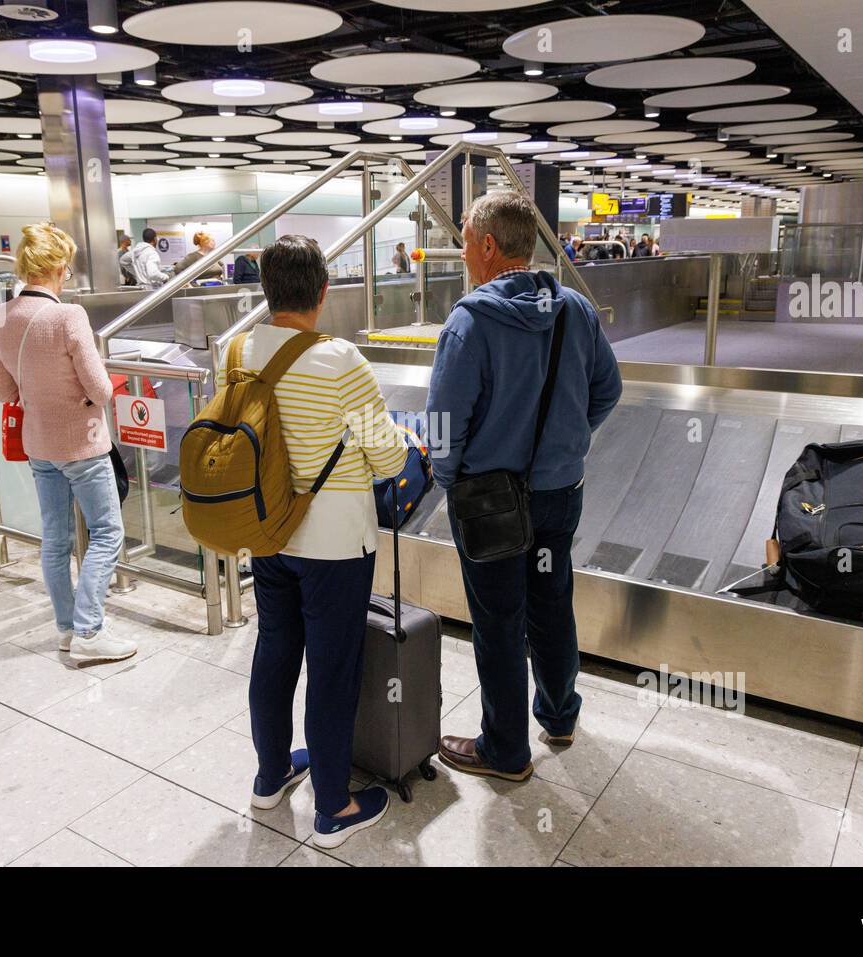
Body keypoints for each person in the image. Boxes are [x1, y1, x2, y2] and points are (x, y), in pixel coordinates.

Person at [427, 190, 622, 782]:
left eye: (465, 240)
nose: (462, 252)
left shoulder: (470, 321)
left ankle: (506, 751)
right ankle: (559, 715)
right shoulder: (575, 311)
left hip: (490, 504)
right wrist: (565, 442)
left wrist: (447, 478)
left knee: (499, 621)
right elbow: (607, 391)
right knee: (551, 599)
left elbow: (441, 424)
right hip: (560, 495)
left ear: (487, 246)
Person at [231, 235, 406, 847]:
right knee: (332, 668)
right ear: (324, 292)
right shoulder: (340, 360)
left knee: (275, 648)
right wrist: (404, 443)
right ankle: (334, 807)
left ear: (267, 290)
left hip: (266, 532)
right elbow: (385, 457)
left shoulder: (241, 351)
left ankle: (270, 773)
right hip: (332, 543)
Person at [0, 224, 137, 663]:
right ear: (57, 267)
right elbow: (102, 389)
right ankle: (91, 631)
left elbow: (3, 391)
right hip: (83, 444)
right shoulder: (68, 316)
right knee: (107, 532)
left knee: (55, 539)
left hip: (38, 444)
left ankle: (67, 628)